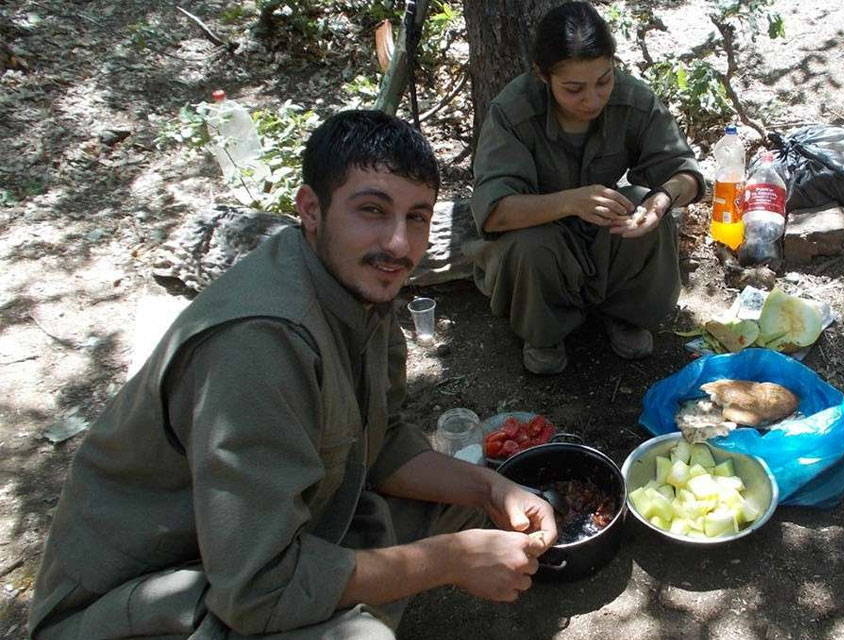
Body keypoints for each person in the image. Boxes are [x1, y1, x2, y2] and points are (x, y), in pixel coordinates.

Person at [28, 110, 558, 639]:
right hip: (144, 601)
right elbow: (257, 590)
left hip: (282, 530)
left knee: (474, 511)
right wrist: (444, 561)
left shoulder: (356, 282)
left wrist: (493, 489)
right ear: (310, 208)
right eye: (372, 210)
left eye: (417, 217)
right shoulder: (258, 345)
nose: (399, 243)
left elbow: (379, 443)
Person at [468, 1, 705, 375]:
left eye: (603, 81)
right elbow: (495, 212)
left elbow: (686, 173)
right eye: (574, 88)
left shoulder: (632, 98)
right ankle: (544, 332)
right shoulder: (512, 112)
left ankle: (625, 313)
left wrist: (662, 201)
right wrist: (568, 203)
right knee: (529, 243)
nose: (592, 100)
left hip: (602, 233)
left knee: (640, 204)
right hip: (541, 240)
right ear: (543, 76)